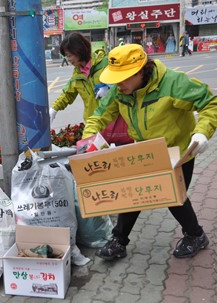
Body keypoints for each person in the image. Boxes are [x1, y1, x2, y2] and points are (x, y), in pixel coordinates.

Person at [81, 44, 217, 261]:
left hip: (178, 150)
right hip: (146, 151)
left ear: (141, 71)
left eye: (124, 78)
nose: (118, 84)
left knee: (174, 196)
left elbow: (210, 103)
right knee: (132, 193)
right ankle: (119, 240)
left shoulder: (173, 83)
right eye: (115, 78)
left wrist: (202, 133)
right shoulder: (120, 90)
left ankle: (196, 235)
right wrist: (89, 139)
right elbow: (99, 115)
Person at [49, 32, 109, 127]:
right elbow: (67, 94)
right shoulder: (77, 74)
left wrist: (110, 87)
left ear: (78, 51)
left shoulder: (105, 63)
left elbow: (124, 83)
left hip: (113, 122)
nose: (68, 59)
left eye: (69, 55)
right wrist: (54, 109)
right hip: (93, 124)